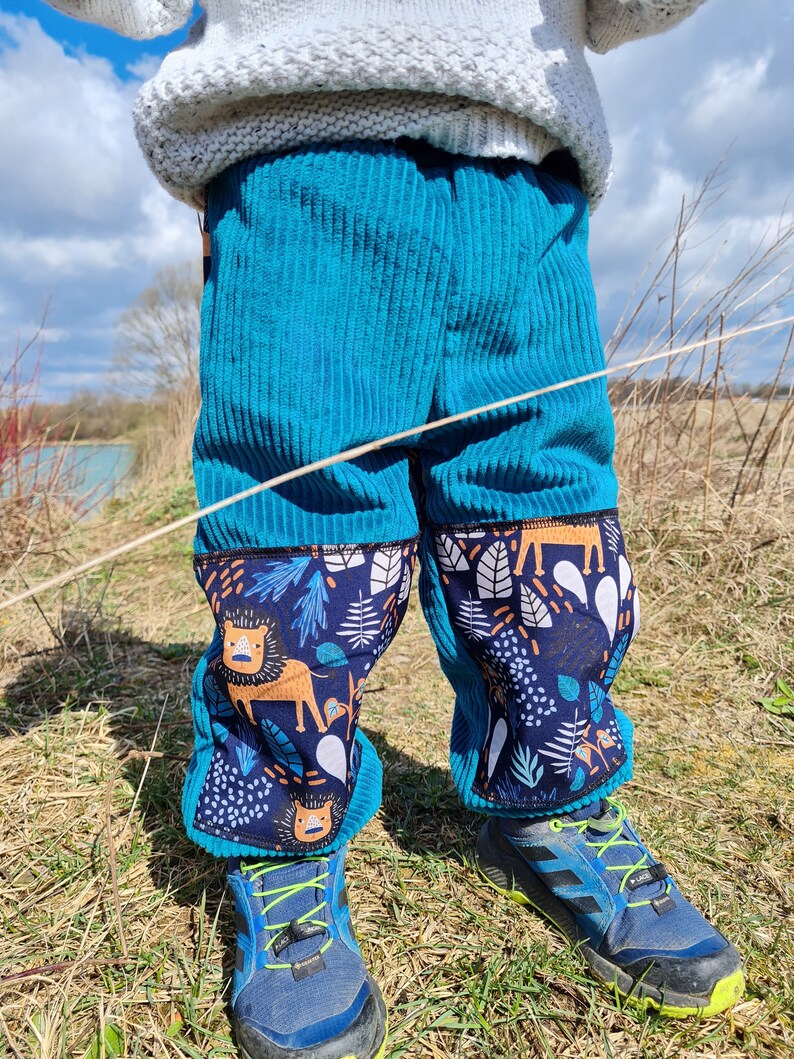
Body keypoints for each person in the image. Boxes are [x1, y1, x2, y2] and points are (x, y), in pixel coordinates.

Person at [45, 2, 745, 1057]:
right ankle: (284, 837)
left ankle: (549, 803)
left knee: (544, 524)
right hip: (299, 173)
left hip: (529, 184)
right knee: (301, 534)